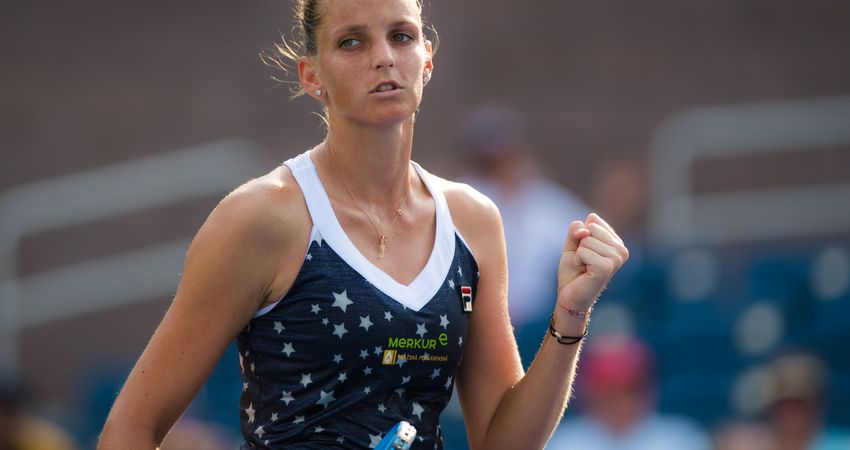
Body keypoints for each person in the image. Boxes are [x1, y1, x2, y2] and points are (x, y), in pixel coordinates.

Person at [97, 1, 629, 449]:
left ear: (426, 62)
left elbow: (502, 439)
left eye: (401, 36)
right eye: (352, 42)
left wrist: (571, 313)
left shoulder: (473, 219)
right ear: (312, 76)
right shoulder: (262, 216)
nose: (383, 58)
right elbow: (130, 428)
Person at [457, 106, 589, 336]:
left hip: (538, 323)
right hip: (474, 320)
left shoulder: (543, 197)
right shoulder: (460, 194)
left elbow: (589, 237)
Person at [546, 335, 711, 450]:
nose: (621, 402)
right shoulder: (564, 442)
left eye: (631, 390)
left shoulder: (682, 439)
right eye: (609, 392)